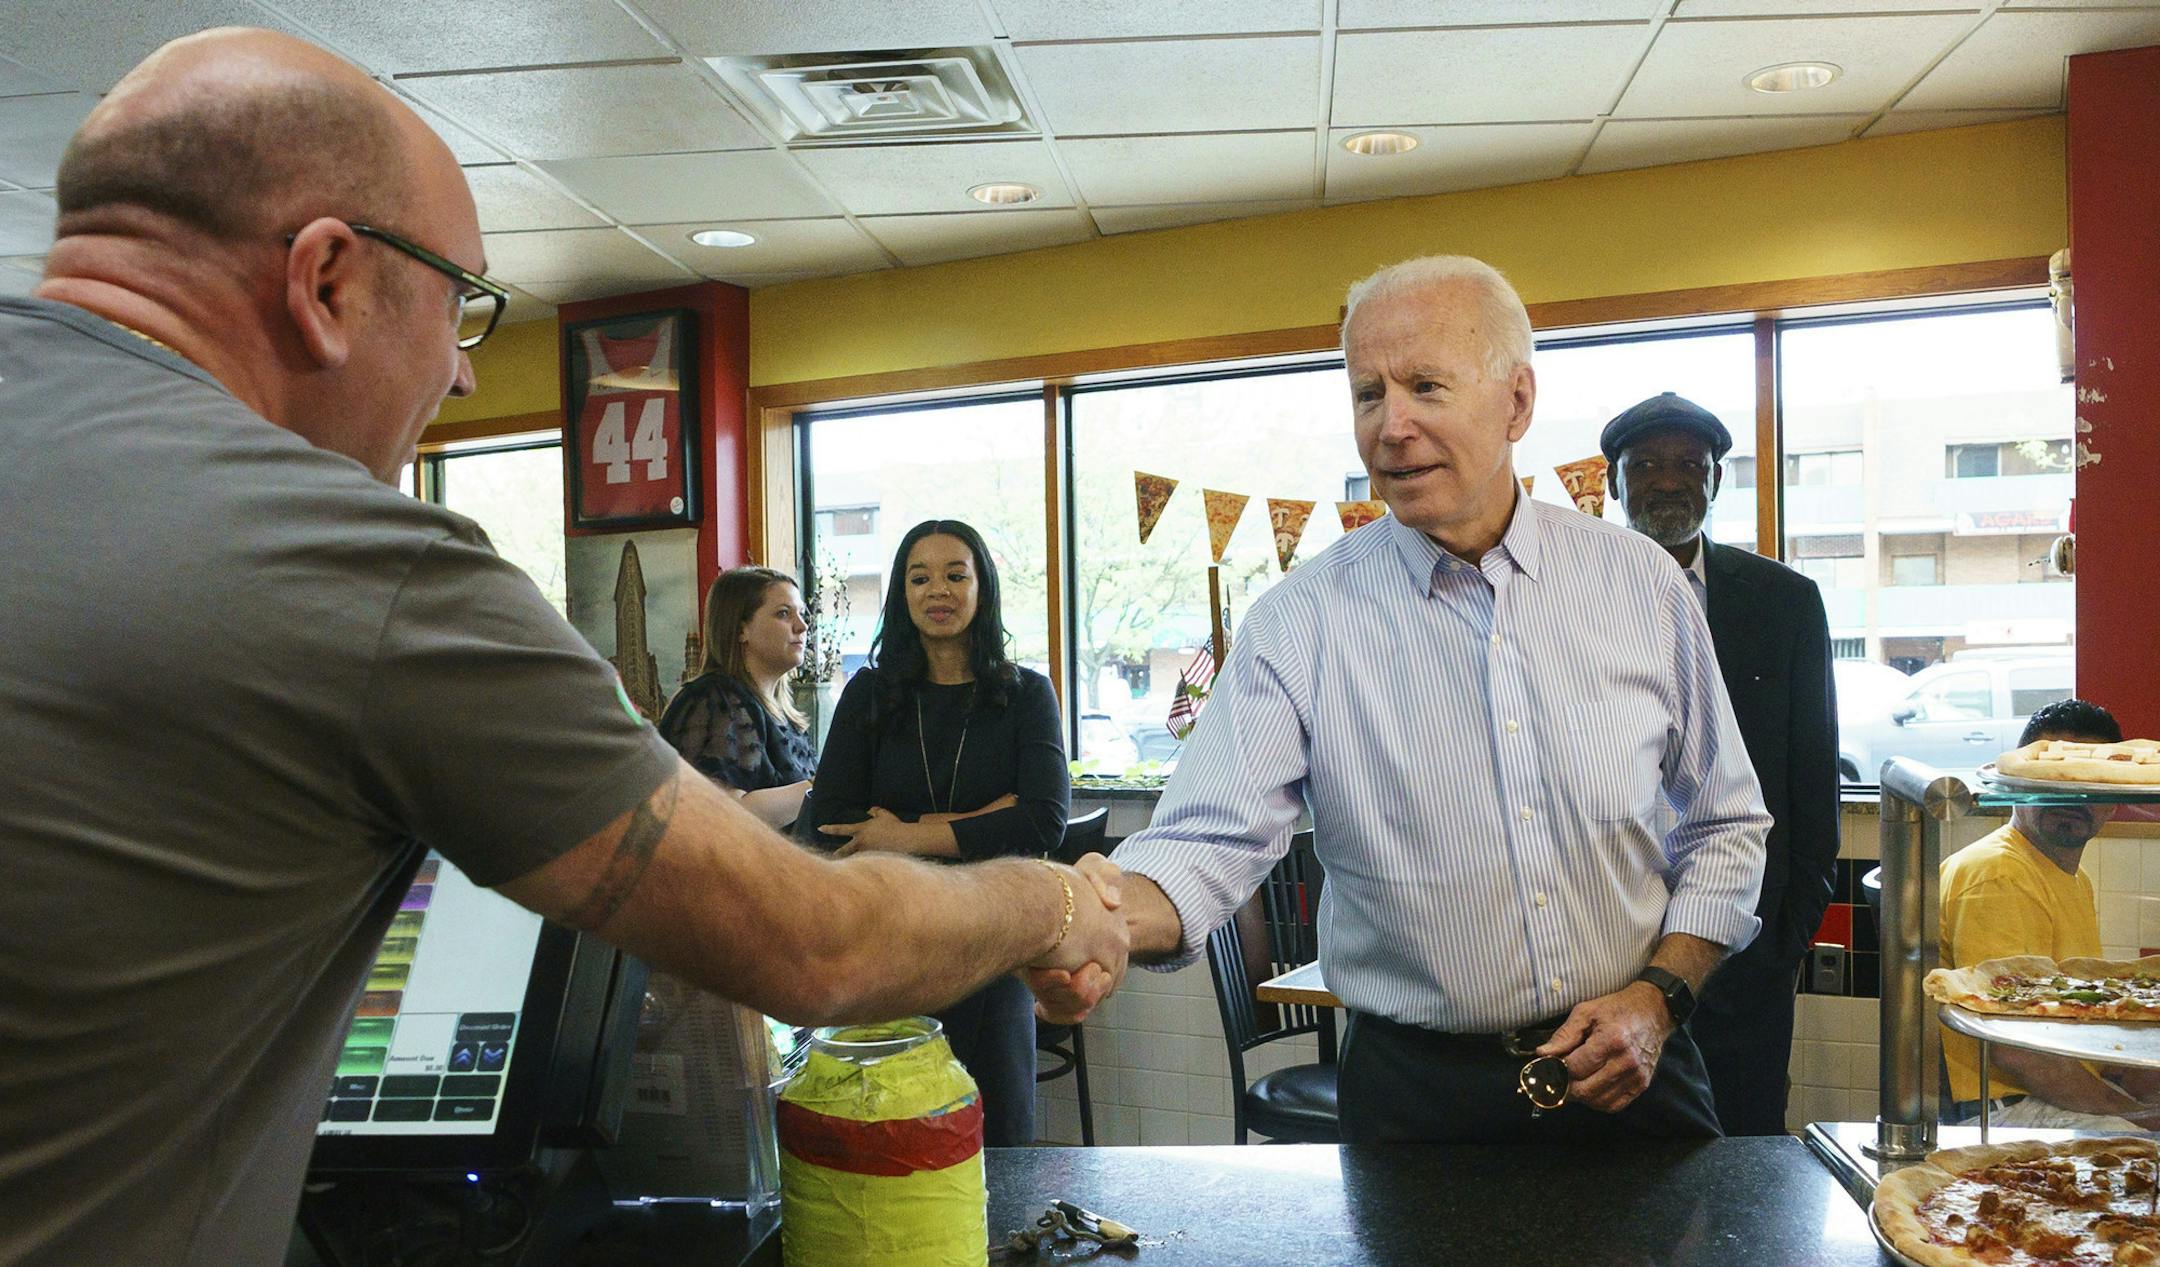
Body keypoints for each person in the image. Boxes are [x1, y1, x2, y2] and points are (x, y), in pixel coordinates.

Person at [0, 30, 1124, 1267]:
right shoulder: (359, 566)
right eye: (458, 301)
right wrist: (1051, 895)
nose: (466, 373)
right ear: (325, 280)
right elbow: (820, 944)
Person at [1037, 255, 1772, 1144]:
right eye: (1367, 395)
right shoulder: (1299, 624)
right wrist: (1095, 917)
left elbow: (1727, 822)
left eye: (1425, 385)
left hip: (1636, 1073)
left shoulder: (1642, 586)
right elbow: (1205, 840)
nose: (1392, 426)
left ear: (1517, 402)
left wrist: (1661, 997)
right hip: (1413, 1101)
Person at [1603, 392, 1839, 1136]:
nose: (1667, 481)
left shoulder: (1786, 603)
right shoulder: (1572, 601)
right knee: (1615, 1184)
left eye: (1688, 465)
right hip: (1607, 964)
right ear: (1614, 484)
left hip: (1746, 962)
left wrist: (1781, 943)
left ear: (1716, 479)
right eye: (1644, 465)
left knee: (1745, 1162)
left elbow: (1812, 784)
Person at [806, 519, 1070, 1146]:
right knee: (900, 1139)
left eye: (956, 574)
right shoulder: (869, 695)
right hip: (893, 942)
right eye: (919, 577)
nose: (938, 591)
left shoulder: (1026, 692)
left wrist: (904, 835)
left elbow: (1044, 819)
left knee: (1000, 1134)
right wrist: (984, 821)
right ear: (902, 593)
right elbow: (828, 823)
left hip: (993, 937)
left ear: (983, 588)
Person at [1939, 699, 2160, 1130]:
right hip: (2000, 1111)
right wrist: (2134, 1115)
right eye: (2055, 783)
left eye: (2088, 787)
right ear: (2022, 786)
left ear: (2112, 799)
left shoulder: (2071, 876)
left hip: (2050, 1090)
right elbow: (2018, 1052)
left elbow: (2073, 1017)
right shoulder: (1997, 874)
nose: (2071, 798)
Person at [659, 566, 816, 830]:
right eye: (783, 614)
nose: (802, 626)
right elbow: (725, 816)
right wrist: (820, 787)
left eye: (802, 613)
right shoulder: (712, 699)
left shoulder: (784, 715)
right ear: (741, 629)